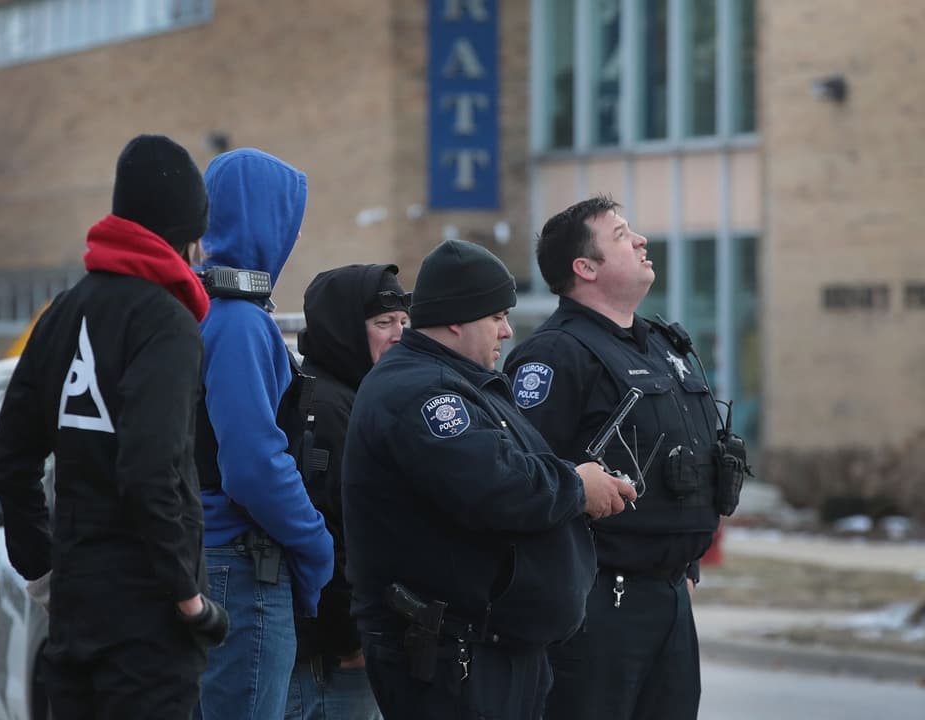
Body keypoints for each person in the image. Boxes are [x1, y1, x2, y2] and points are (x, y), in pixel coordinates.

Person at [341, 240, 634, 720]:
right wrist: (578, 487)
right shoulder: (420, 391)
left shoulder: (461, 381)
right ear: (457, 319)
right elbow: (495, 486)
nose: (507, 330)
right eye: (497, 316)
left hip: (491, 649)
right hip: (453, 657)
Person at [0, 134, 229, 719]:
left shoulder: (63, 311)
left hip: (74, 612)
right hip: (147, 624)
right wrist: (188, 597)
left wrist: (43, 571)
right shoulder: (167, 322)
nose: (201, 256)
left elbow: (10, 462)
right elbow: (150, 469)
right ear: (184, 236)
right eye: (198, 239)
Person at [504, 196, 750, 720]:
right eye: (620, 235)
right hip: (596, 601)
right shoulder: (554, 355)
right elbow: (525, 478)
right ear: (585, 268)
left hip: (669, 595)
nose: (640, 241)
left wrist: (683, 564)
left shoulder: (663, 346)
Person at [194, 148, 336, 719]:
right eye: (288, 218)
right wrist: (316, 543)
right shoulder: (239, 321)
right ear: (264, 221)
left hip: (204, 558)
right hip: (241, 565)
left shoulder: (199, 308)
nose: (293, 234)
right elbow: (253, 465)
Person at [286, 263, 409, 720]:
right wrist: (348, 638)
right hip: (333, 662)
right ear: (343, 331)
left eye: (404, 321)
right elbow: (327, 527)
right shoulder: (327, 408)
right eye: (383, 322)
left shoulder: (360, 397)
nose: (399, 334)